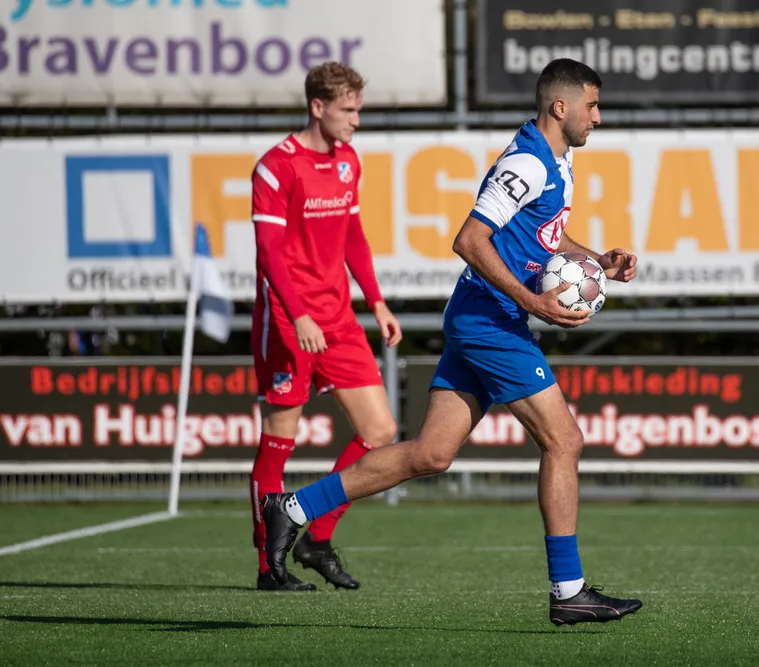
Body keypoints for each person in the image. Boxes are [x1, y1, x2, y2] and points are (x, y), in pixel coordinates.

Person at [260, 57, 642, 626]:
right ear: (560, 106)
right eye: (592, 105)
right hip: (490, 320)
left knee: (431, 454)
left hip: (481, 317)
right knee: (564, 441)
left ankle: (293, 507)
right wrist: (533, 301)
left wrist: (597, 261)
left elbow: (543, 236)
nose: (598, 117)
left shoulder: (558, 161)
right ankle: (569, 591)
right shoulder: (526, 164)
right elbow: (469, 240)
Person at [249, 62, 402, 592]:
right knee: (279, 441)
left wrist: (376, 302)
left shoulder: (347, 161)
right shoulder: (276, 167)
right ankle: (269, 566)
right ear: (318, 107)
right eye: (348, 110)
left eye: (358, 109)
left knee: (380, 433)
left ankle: (316, 537)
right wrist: (298, 314)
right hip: (287, 321)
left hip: (338, 319)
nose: (356, 120)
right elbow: (269, 252)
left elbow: (353, 235)